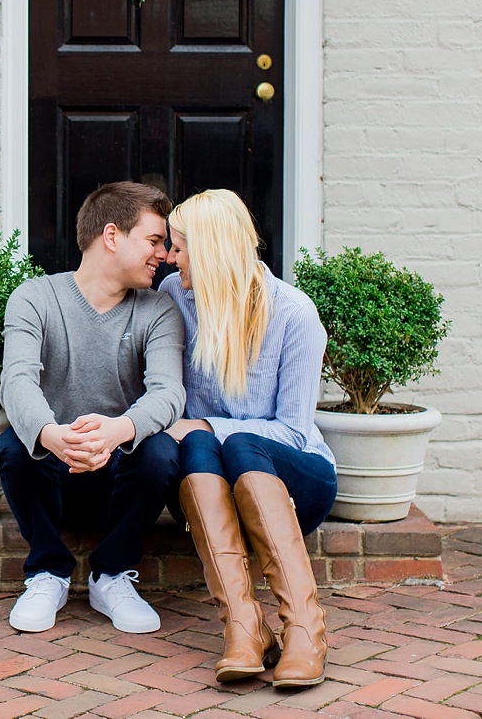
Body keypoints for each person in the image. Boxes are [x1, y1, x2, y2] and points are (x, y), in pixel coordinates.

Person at [160, 189, 336, 688]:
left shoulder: (294, 314)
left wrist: (209, 426)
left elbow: (295, 431)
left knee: (228, 442)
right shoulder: (176, 296)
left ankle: (306, 631)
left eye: (179, 247)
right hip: (212, 483)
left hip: (296, 481)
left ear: (210, 249)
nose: (170, 258)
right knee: (197, 445)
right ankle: (245, 629)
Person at [0, 182, 185, 634]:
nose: (164, 254)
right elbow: (16, 381)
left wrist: (117, 431)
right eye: (155, 240)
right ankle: (47, 572)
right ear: (113, 235)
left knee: (160, 452)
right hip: (53, 473)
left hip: (120, 475)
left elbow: (169, 393)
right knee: (14, 446)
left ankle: (112, 574)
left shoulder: (159, 311)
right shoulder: (34, 298)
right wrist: (50, 435)